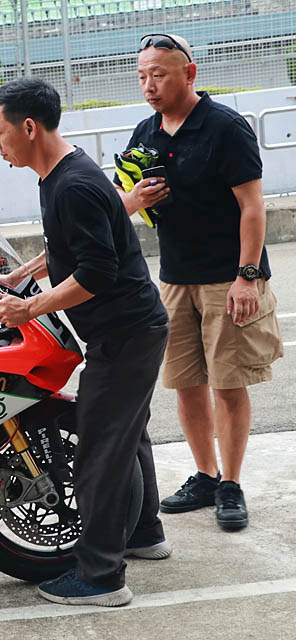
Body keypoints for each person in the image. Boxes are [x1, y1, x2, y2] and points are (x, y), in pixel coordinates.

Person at [0, 78, 171, 607]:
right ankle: (143, 533)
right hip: (130, 329)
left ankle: (101, 579)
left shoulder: (73, 185)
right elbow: (67, 247)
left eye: (0, 132)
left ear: (29, 127)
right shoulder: (61, 175)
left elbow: (96, 271)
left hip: (125, 332)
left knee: (100, 450)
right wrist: (19, 275)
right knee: (127, 436)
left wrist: (30, 306)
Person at [114, 34, 284, 531]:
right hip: (175, 277)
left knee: (229, 384)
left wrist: (247, 276)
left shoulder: (225, 128)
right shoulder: (145, 132)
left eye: (159, 75)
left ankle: (231, 483)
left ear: (190, 74)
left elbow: (253, 206)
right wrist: (135, 200)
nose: (149, 85)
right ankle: (205, 475)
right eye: (143, 75)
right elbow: (129, 202)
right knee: (186, 383)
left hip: (227, 277)